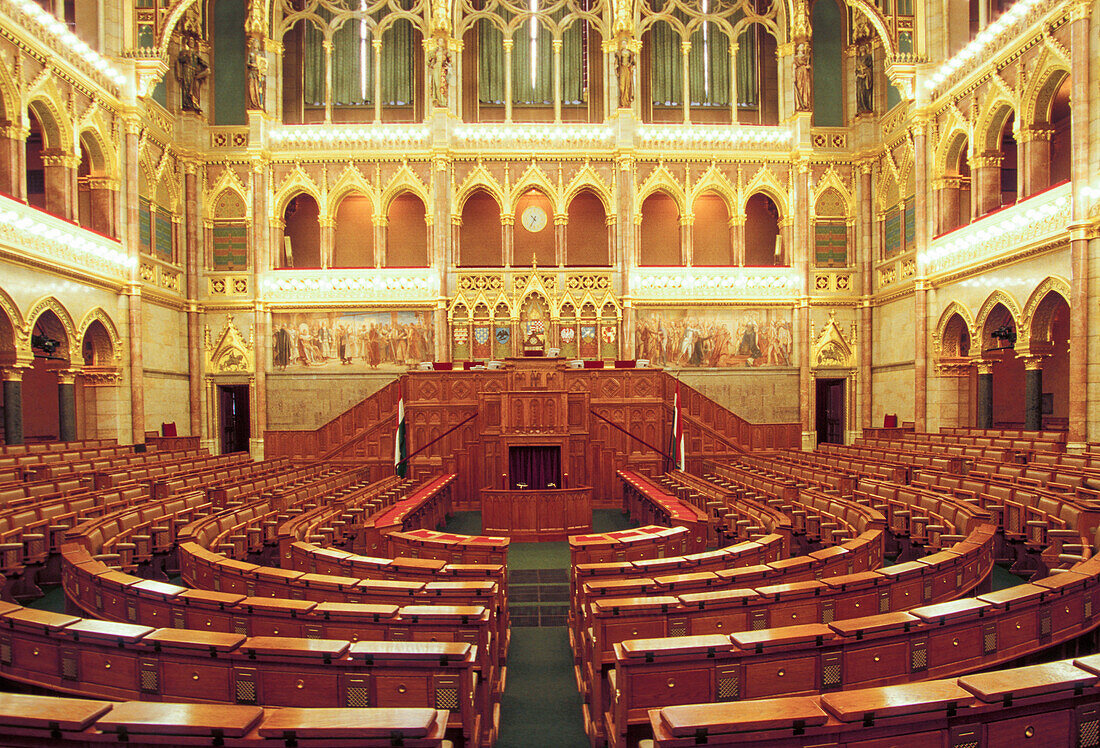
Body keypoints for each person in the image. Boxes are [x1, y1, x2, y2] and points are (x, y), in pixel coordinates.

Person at [176, 33, 209, 113]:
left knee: (194, 89)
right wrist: (186, 56)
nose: (191, 42)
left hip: (193, 72)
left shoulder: (195, 54)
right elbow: (180, 60)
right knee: (186, 87)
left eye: (193, 41)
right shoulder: (184, 52)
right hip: (186, 70)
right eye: (190, 40)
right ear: (187, 42)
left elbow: (203, 63)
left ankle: (194, 103)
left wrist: (205, 69)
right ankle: (187, 103)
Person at [246, 35, 266, 111]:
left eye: (257, 43)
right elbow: (248, 63)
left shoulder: (261, 54)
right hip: (252, 72)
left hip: (259, 74)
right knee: (252, 88)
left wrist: (260, 67)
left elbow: (264, 64)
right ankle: (253, 104)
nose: (255, 44)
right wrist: (252, 65)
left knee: (259, 88)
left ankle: (259, 104)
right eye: (254, 43)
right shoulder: (251, 53)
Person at [794, 42, 812, 112]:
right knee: (800, 87)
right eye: (801, 47)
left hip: (805, 74)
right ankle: (799, 105)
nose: (802, 48)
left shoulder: (806, 57)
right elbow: (794, 66)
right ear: (798, 48)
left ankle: (805, 104)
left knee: (805, 88)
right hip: (799, 73)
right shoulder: (796, 57)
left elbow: (808, 65)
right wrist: (793, 76)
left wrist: (808, 66)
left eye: (803, 47)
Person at [616, 40, 634, 108]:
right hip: (622, 69)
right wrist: (616, 70)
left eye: (625, 44)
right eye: (622, 44)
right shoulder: (619, 53)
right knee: (622, 86)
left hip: (628, 69)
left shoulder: (630, 53)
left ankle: (627, 101)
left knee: (627, 85)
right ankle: (622, 101)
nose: (623, 45)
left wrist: (630, 65)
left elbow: (633, 62)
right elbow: (616, 62)